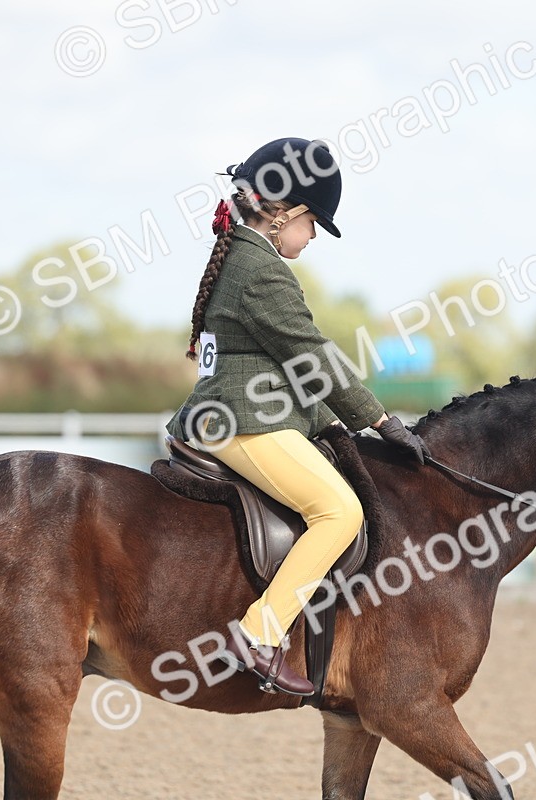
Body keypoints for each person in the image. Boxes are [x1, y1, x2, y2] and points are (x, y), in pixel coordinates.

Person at [166, 137, 429, 695]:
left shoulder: (242, 255)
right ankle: (259, 634)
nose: (312, 238)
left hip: (242, 411)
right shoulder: (261, 271)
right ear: (285, 212)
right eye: (313, 224)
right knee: (339, 512)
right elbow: (313, 358)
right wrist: (380, 421)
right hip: (242, 421)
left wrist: (329, 424)